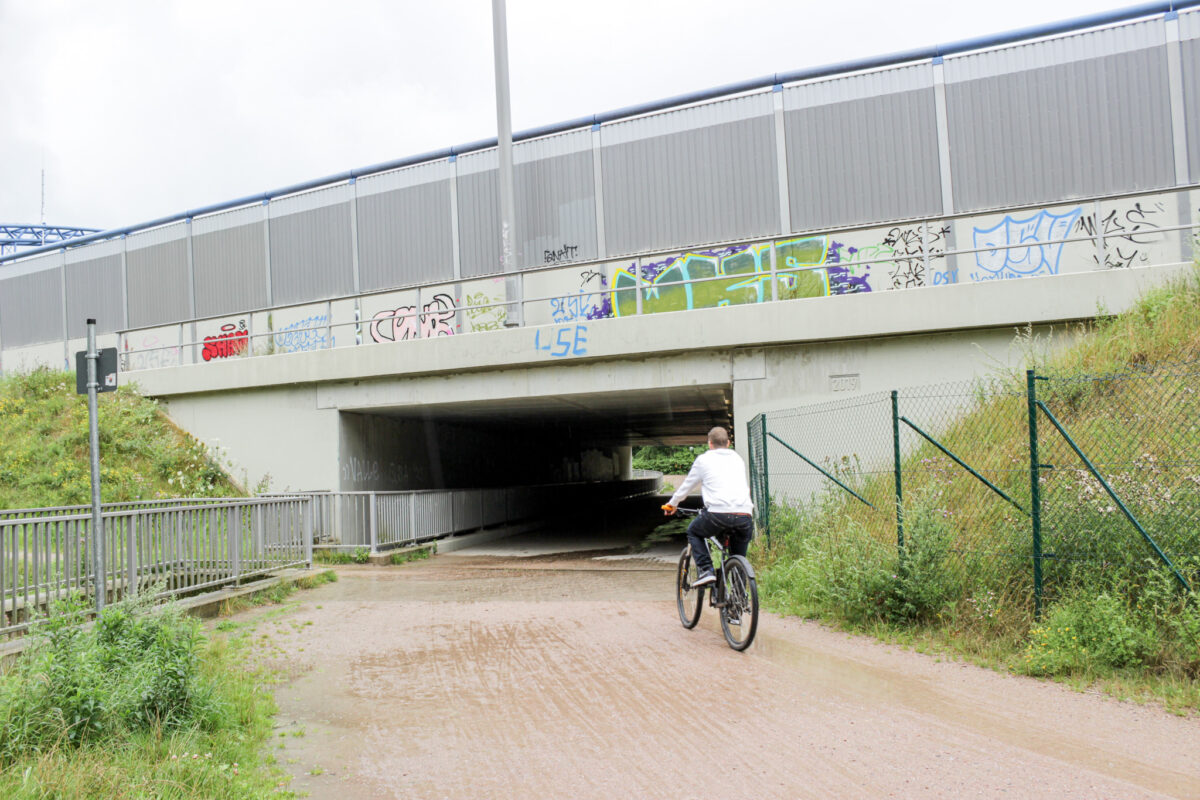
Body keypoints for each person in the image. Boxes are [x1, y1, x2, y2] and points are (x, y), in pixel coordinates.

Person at [661, 426, 754, 587]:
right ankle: (739, 600)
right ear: (728, 443)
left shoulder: (704, 460)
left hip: (717, 514)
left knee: (694, 532)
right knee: (738, 556)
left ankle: (706, 570)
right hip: (744, 515)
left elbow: (686, 487)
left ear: (709, 444)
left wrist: (672, 504)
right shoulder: (737, 458)